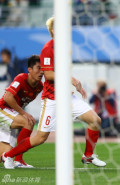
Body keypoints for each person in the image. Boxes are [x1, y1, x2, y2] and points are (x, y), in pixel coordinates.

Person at [1, 17, 106, 169]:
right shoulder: (48, 49)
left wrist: (73, 81)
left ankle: (88, 156)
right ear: (53, 31)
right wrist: (71, 79)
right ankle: (9, 155)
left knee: (95, 120)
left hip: (67, 97)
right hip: (52, 100)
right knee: (40, 137)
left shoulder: (64, 48)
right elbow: (49, 75)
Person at [0, 55, 43, 168]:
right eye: (38, 68)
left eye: (43, 68)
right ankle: (18, 160)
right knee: (28, 121)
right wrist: (24, 113)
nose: (42, 71)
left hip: (12, 116)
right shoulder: (21, 78)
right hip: (2, 110)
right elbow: (7, 98)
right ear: (29, 70)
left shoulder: (39, 86)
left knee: (2, 156)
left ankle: (13, 159)